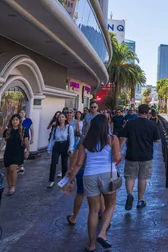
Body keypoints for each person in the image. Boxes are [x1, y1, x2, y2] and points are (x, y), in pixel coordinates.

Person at [68, 115, 121, 251]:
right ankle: (102, 233)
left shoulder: (86, 141)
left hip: (89, 175)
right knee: (111, 204)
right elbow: (117, 158)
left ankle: (91, 245)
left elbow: (79, 163)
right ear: (106, 125)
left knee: (93, 210)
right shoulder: (112, 138)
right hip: (107, 175)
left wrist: (70, 179)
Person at [120, 104, 160, 210]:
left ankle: (129, 194)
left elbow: (123, 139)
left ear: (138, 112)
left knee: (130, 177)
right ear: (148, 113)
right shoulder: (152, 125)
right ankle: (139, 200)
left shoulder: (130, 124)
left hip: (131, 155)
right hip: (146, 156)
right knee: (142, 178)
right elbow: (158, 140)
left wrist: (118, 152)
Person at [0, 114, 29, 196]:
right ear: (11, 121)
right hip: (8, 152)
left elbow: (26, 141)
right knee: (8, 170)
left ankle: (13, 186)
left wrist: (28, 150)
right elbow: (3, 141)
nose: (15, 121)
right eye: (13, 120)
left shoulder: (24, 130)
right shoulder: (7, 131)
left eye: (17, 120)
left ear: (19, 121)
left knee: (12, 169)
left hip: (18, 152)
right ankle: (10, 186)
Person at [47, 113, 74, 188]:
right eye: (59, 117)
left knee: (64, 163)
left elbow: (72, 139)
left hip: (65, 145)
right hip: (57, 145)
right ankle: (51, 180)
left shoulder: (69, 128)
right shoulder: (55, 128)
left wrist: (71, 148)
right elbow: (52, 139)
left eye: (62, 117)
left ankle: (64, 181)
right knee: (53, 163)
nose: (61, 118)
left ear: (65, 118)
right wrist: (49, 149)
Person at [18, 109, 33, 175]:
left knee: (21, 151)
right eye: (21, 112)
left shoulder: (28, 120)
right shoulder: (17, 120)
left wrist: (32, 138)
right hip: (17, 138)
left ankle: (21, 166)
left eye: (23, 112)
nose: (22, 113)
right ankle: (18, 165)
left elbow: (32, 130)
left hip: (25, 139)